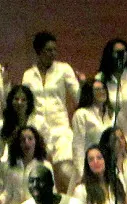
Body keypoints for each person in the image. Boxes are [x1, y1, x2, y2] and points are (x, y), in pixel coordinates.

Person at [22, 31, 82, 193]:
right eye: (49, 50)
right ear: (39, 51)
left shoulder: (64, 69)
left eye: (55, 50)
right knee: (40, 172)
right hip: (37, 129)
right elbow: (25, 104)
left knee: (66, 170)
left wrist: (84, 85)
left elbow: (79, 97)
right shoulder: (28, 75)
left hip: (61, 127)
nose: (53, 54)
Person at [71, 79, 114, 175]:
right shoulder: (81, 114)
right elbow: (78, 145)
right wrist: (81, 173)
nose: (102, 92)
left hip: (108, 168)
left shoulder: (111, 114)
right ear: (89, 93)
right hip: (89, 167)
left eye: (103, 89)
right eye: (97, 90)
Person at [1, 85, 51, 159]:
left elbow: (47, 150)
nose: (19, 103)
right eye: (16, 99)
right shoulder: (4, 125)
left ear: (28, 103)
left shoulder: (39, 123)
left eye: (23, 100)